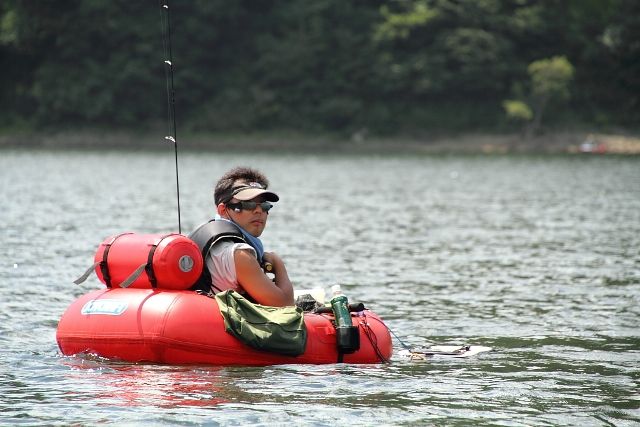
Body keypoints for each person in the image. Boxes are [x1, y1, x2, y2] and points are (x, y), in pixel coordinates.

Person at [189, 166, 294, 307]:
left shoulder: (207, 236)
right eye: (248, 204)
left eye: (264, 206)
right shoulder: (240, 254)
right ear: (223, 210)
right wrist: (278, 262)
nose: (258, 211)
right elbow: (285, 305)